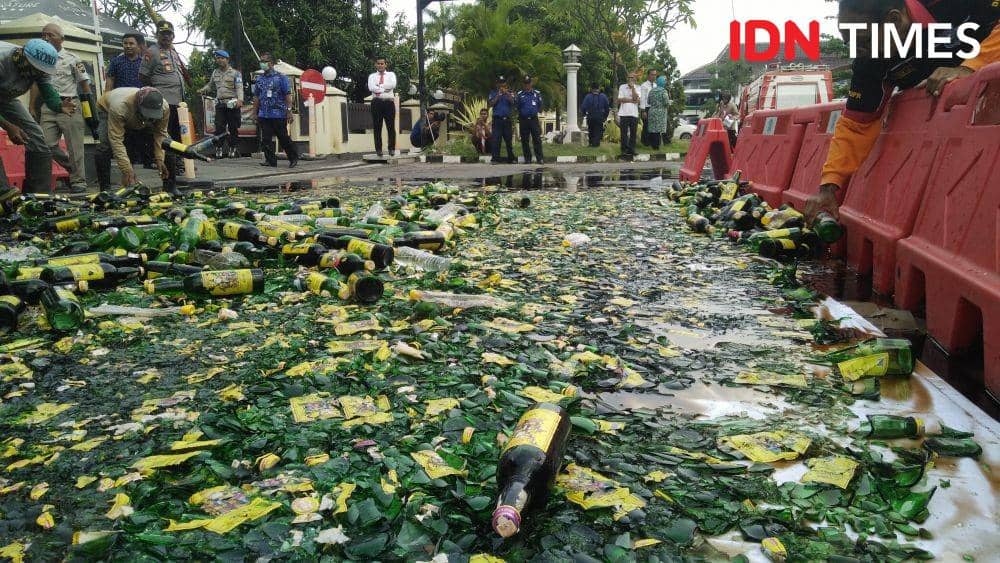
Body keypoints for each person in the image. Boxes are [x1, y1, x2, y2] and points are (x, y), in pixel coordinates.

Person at [805, 0, 1000, 220]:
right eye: (850, 42)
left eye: (865, 40)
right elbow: (856, 125)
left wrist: (971, 67)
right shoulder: (869, 63)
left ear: (894, 20)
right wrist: (828, 188)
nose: (859, 51)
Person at [0, 39, 74, 193]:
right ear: (24, 58)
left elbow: (47, 90)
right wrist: (9, 126)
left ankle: (38, 195)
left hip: (5, 97)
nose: (38, 74)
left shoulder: (41, 68)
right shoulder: (2, 60)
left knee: (36, 135)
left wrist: (58, 105)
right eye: (36, 70)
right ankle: (3, 191)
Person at [35, 23, 92, 193]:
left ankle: (78, 182)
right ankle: (73, 170)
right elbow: (35, 84)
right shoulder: (39, 59)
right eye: (43, 35)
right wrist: (31, 106)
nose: (46, 38)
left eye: (50, 35)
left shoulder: (72, 58)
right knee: (46, 145)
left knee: (75, 147)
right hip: (48, 106)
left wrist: (89, 110)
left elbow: (85, 85)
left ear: (61, 39)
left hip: (70, 104)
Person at [94, 87, 174, 195]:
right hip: (106, 109)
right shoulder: (120, 107)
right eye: (148, 114)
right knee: (104, 146)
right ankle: (105, 190)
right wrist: (126, 169)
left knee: (168, 144)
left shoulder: (164, 107)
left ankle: (170, 187)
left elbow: (161, 134)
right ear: (138, 105)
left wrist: (160, 159)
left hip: (133, 114)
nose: (149, 118)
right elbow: (116, 140)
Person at [140, 20, 189, 178]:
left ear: (173, 36)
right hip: (164, 101)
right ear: (157, 35)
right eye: (163, 34)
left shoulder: (173, 52)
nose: (166, 37)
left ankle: (178, 162)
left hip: (179, 101)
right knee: (165, 134)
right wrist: (156, 91)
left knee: (178, 134)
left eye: (169, 34)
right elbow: (143, 76)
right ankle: (169, 163)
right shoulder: (151, 52)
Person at [106, 32, 151, 167]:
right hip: (121, 103)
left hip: (140, 103)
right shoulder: (116, 62)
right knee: (125, 133)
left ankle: (147, 161)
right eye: (125, 43)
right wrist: (107, 98)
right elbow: (110, 81)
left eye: (131, 43)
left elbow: (149, 82)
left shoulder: (144, 62)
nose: (128, 46)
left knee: (143, 131)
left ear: (138, 46)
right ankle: (128, 162)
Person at [252, 52, 298, 168]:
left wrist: (289, 111)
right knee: (266, 139)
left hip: (279, 114)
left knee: (283, 138)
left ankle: (293, 158)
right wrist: (254, 113)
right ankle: (270, 161)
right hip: (264, 114)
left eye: (264, 61)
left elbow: (288, 95)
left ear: (271, 63)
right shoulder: (259, 79)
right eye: (261, 61)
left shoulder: (281, 78)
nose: (262, 63)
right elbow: (256, 97)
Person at [199, 49, 243, 158]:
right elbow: (210, 85)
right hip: (220, 104)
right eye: (218, 58)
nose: (220, 60)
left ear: (227, 59)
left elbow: (239, 88)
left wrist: (240, 100)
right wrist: (203, 90)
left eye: (222, 58)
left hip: (232, 103)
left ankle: (233, 148)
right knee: (219, 127)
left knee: (233, 127)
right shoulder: (215, 72)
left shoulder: (235, 73)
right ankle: (219, 148)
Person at [367, 57, 397, 157]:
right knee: (377, 127)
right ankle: (378, 150)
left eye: (382, 63)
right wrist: (384, 89)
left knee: (391, 126)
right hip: (377, 103)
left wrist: (379, 86)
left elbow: (392, 85)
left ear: (386, 65)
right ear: (376, 65)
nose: (380, 65)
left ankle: (391, 149)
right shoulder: (372, 76)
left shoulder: (391, 74)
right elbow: (371, 87)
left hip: (389, 103)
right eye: (378, 63)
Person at [516, 75, 543, 165]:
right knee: (525, 140)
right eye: (525, 83)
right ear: (523, 84)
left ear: (531, 83)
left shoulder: (537, 93)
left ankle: (540, 158)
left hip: (533, 119)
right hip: (523, 120)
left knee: (537, 139)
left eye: (528, 83)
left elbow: (540, 106)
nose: (527, 85)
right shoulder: (520, 94)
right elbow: (518, 107)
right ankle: (527, 158)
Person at [488, 76, 516, 164]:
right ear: (497, 84)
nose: (501, 85)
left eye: (503, 83)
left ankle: (511, 158)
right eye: (500, 83)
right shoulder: (493, 93)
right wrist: (498, 95)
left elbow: (513, 102)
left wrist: (506, 93)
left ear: (505, 84)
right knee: (496, 140)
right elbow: (491, 104)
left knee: (508, 140)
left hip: (507, 120)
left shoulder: (510, 93)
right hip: (497, 120)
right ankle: (495, 159)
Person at [617, 71, 641, 159]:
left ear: (635, 79)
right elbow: (620, 100)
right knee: (623, 133)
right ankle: (624, 150)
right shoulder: (622, 87)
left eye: (632, 77)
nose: (630, 79)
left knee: (633, 133)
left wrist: (633, 88)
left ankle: (631, 149)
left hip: (634, 114)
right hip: (623, 113)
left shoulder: (638, 87)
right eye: (629, 77)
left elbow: (637, 99)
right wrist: (632, 100)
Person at [646, 76, 670, 150]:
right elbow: (666, 102)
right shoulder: (663, 91)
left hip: (652, 112)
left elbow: (648, 102)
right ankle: (657, 146)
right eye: (664, 81)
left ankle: (652, 145)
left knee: (653, 129)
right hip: (660, 112)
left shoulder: (652, 91)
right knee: (658, 130)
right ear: (662, 83)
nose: (665, 83)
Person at [638, 68, 657, 146]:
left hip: (654, 108)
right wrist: (643, 111)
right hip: (646, 108)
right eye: (652, 74)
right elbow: (642, 99)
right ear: (648, 75)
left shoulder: (655, 85)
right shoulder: (644, 85)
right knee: (646, 125)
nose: (654, 76)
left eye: (655, 75)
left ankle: (652, 142)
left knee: (653, 126)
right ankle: (644, 142)